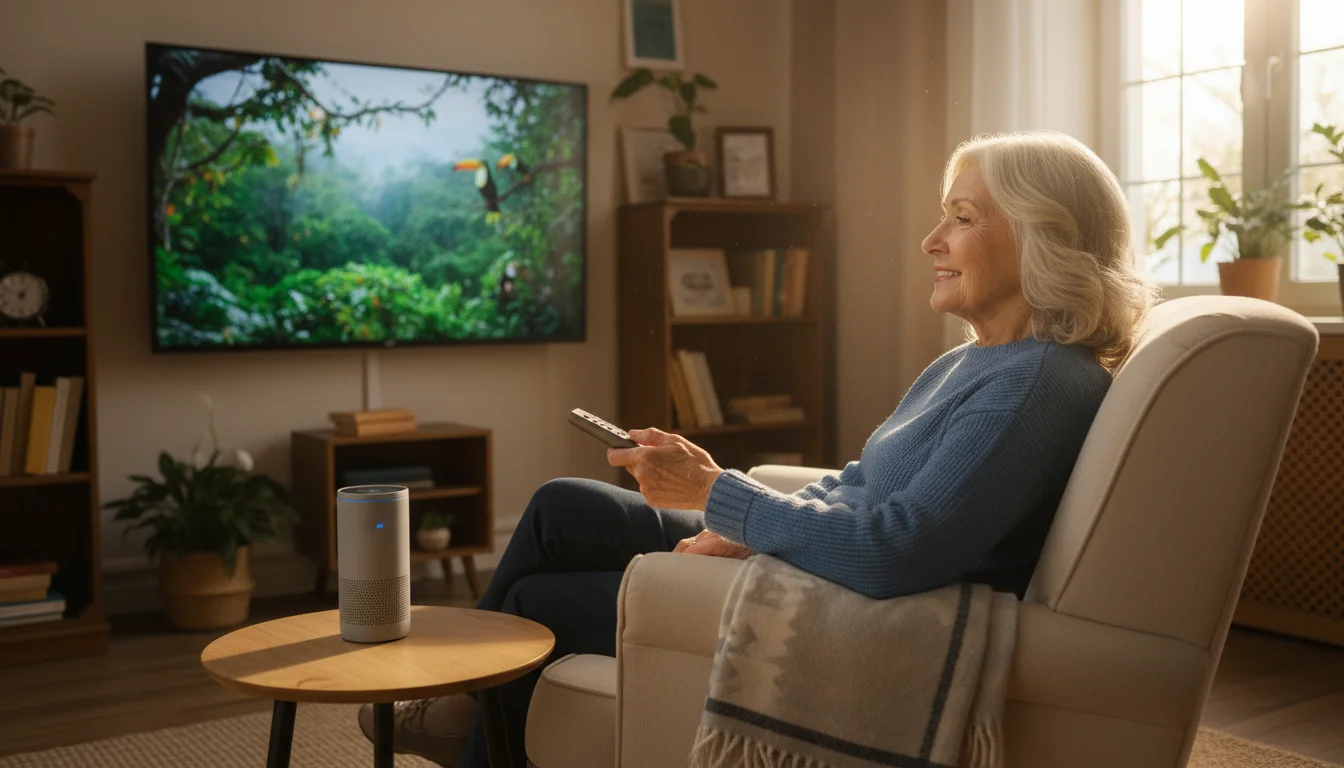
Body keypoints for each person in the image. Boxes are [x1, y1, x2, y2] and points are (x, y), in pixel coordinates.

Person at [357, 130, 1157, 767]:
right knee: (562, 506)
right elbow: (858, 482)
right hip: (806, 557)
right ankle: (461, 708)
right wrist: (746, 524)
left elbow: (896, 551)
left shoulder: (1041, 381)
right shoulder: (975, 360)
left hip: (846, 600)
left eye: (962, 217)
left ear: (1045, 237)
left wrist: (718, 494)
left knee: (536, 608)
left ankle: (462, 721)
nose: (930, 240)